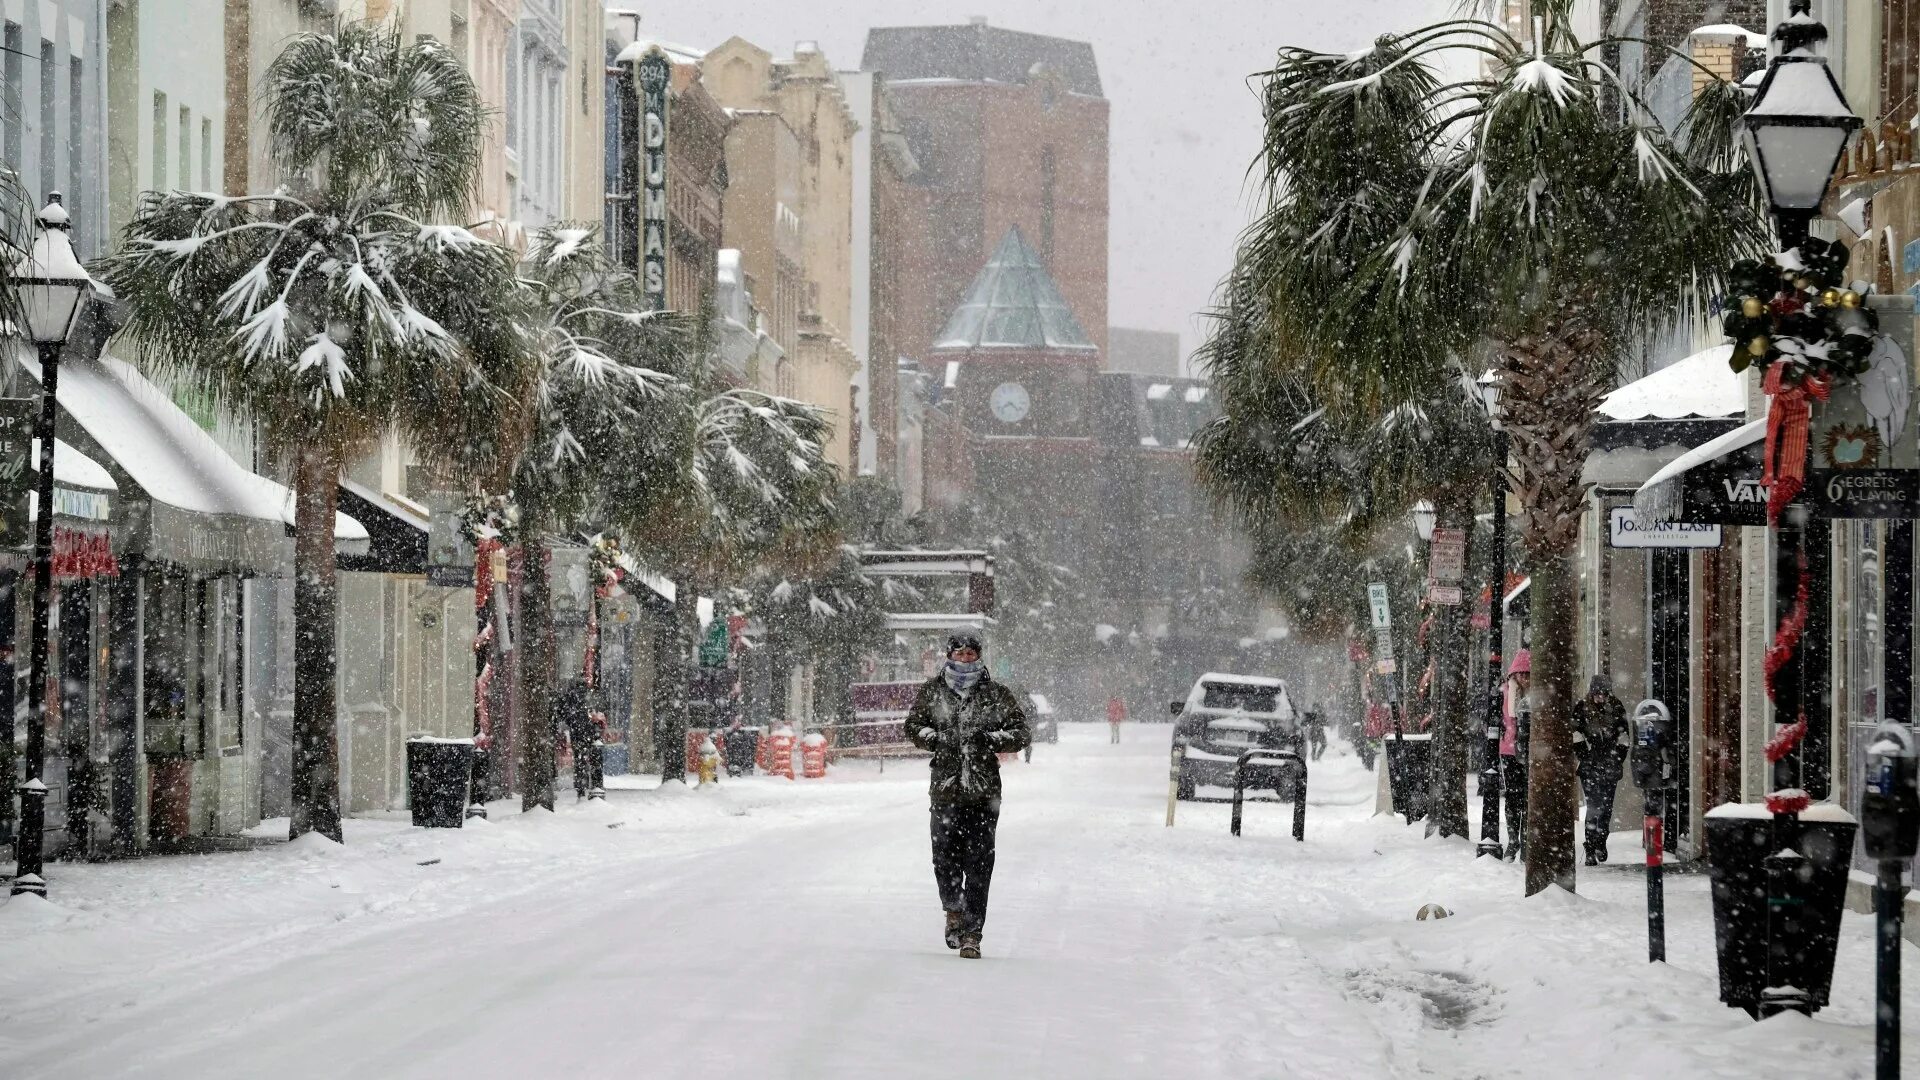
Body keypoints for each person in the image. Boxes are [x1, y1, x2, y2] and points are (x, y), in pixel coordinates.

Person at [906, 634, 1031, 960]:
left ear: (978, 656)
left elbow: (1021, 733)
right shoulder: (933, 691)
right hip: (946, 791)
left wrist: (990, 739)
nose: (964, 657)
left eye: (970, 652)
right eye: (959, 653)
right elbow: (913, 726)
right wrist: (933, 738)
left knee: (979, 866)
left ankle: (973, 934)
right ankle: (954, 910)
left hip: (983, 794)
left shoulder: (996, 695)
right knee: (944, 859)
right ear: (949, 656)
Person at [1571, 674, 1630, 865]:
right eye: (1597, 694)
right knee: (1594, 805)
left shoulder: (1617, 707)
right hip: (1590, 764)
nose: (1600, 698)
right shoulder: (1581, 707)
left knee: (1606, 807)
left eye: (1604, 694)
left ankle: (1601, 840)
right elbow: (1575, 732)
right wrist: (1584, 754)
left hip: (1610, 764)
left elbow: (1624, 736)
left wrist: (1618, 757)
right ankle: (1590, 846)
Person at [1501, 649, 1532, 861]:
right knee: (1513, 797)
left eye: (1527, 673)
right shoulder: (1505, 692)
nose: (1524, 678)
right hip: (1510, 751)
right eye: (1520, 673)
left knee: (1529, 797)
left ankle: (1527, 841)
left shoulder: (1535, 696)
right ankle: (1513, 841)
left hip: (1530, 751)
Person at [558, 678, 605, 800]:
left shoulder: (570, 696)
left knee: (580, 761)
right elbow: (599, 714)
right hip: (591, 733)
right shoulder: (591, 695)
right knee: (594, 759)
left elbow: (563, 712)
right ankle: (595, 787)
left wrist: (572, 723)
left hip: (577, 733)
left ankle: (580, 788)